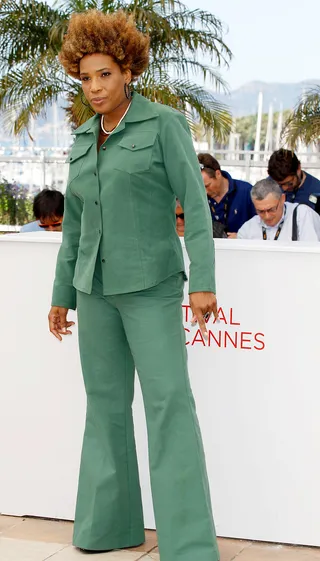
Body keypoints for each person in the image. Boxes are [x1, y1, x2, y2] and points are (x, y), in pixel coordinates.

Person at [48, 10, 220, 561]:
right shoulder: (81, 138)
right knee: (104, 407)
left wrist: (204, 283)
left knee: (169, 404)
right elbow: (73, 225)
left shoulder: (163, 124)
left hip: (151, 288)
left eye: (104, 74)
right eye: (85, 77)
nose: (94, 87)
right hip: (94, 292)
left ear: (127, 70)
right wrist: (62, 294)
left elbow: (195, 209)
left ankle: (189, 546)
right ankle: (108, 529)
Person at [237, 178, 320, 241]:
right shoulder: (246, 230)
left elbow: (311, 257)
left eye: (271, 209)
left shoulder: (302, 215)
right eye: (260, 211)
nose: (267, 216)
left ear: (282, 199)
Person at [198, 153, 256, 237]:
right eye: (201, 188)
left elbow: (262, 225)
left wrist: (241, 236)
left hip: (242, 247)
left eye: (207, 186)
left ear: (218, 174)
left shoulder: (246, 191)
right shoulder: (199, 198)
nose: (205, 192)